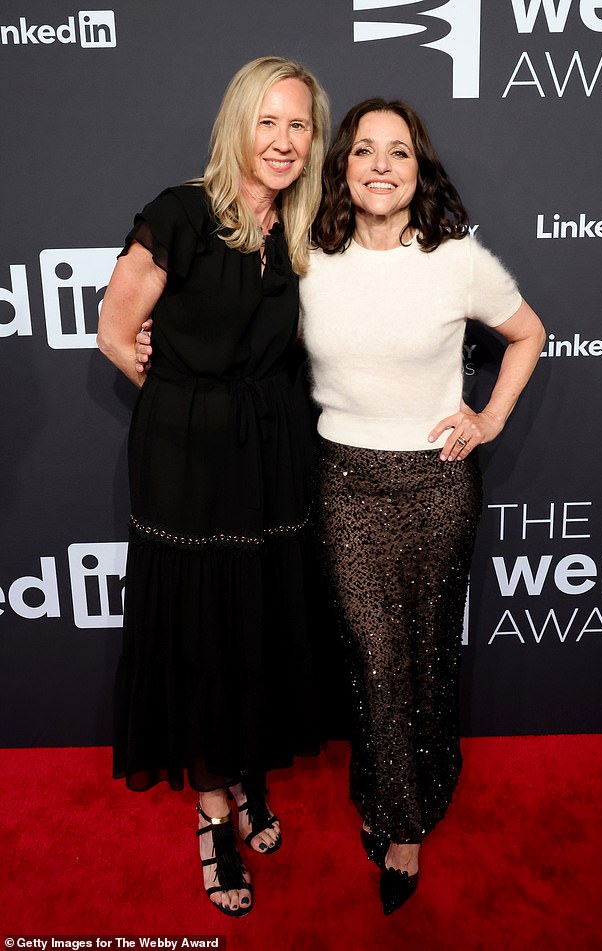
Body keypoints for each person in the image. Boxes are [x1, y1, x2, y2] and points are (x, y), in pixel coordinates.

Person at [300, 98, 546, 915]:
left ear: (418, 169)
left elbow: (529, 333)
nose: (378, 164)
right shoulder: (310, 257)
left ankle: (407, 817)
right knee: (374, 659)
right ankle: (396, 793)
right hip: (345, 482)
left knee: (427, 653)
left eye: (396, 152)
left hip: (437, 485)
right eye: (363, 149)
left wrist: (491, 417)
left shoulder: (455, 259)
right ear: (341, 166)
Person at [97, 56, 330, 918]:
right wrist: (187, 406)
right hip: (190, 462)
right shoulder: (181, 214)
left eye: (297, 125)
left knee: (261, 618)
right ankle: (211, 811)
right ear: (237, 125)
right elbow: (115, 333)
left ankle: (249, 775)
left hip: (273, 454)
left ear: (314, 139)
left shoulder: (301, 234)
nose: (281, 141)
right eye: (266, 122)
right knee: (204, 627)